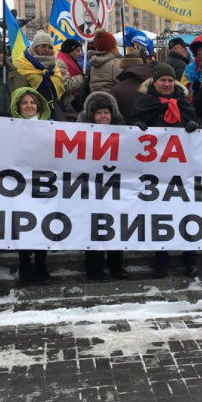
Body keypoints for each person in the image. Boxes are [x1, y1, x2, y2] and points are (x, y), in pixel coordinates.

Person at [130, 64, 201, 278]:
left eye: (170, 80)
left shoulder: (183, 102)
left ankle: (190, 259)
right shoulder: (144, 102)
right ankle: (161, 261)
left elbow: (198, 129)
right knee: (159, 217)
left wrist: (194, 126)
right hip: (155, 174)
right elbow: (131, 125)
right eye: (163, 80)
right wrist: (136, 127)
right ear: (155, 82)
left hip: (181, 172)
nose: (167, 84)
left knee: (186, 215)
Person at [77, 91, 129, 281]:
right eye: (98, 113)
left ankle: (117, 267)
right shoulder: (80, 135)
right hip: (91, 189)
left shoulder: (123, 134)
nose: (103, 116)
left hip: (114, 188)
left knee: (115, 227)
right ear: (91, 115)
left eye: (106, 112)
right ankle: (94, 269)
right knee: (94, 229)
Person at [9, 87, 53, 283]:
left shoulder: (51, 126)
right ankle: (25, 264)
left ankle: (41, 264)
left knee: (43, 223)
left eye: (33, 102)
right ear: (17, 105)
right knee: (23, 224)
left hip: (44, 183)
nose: (29, 106)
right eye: (24, 102)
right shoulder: (7, 127)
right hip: (19, 184)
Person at [14, 30, 67, 120]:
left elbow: (59, 88)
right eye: (43, 46)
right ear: (35, 47)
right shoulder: (21, 64)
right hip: (31, 112)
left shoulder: (54, 66)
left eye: (50, 47)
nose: (47, 50)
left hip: (55, 111)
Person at [111, 49, 152, 124]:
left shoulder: (117, 89)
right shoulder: (156, 85)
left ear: (125, 68)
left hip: (124, 129)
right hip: (153, 130)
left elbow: (114, 116)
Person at [55, 38, 85, 121]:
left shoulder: (73, 61)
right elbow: (66, 85)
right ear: (70, 50)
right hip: (68, 106)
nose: (80, 54)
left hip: (72, 104)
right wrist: (82, 77)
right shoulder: (60, 62)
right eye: (78, 51)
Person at [89, 29, 122, 94]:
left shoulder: (93, 64)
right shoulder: (115, 64)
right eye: (115, 45)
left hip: (95, 98)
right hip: (111, 99)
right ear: (112, 48)